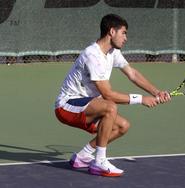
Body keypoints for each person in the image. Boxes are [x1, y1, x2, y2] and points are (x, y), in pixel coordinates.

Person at [54, 14, 171, 177]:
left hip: (87, 104)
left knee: (122, 126)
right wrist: (141, 99)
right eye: (123, 33)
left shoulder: (112, 52)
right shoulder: (92, 55)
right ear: (111, 32)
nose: (126, 38)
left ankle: (83, 156)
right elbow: (108, 94)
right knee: (110, 107)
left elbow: (133, 74)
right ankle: (99, 162)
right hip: (67, 106)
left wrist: (156, 92)